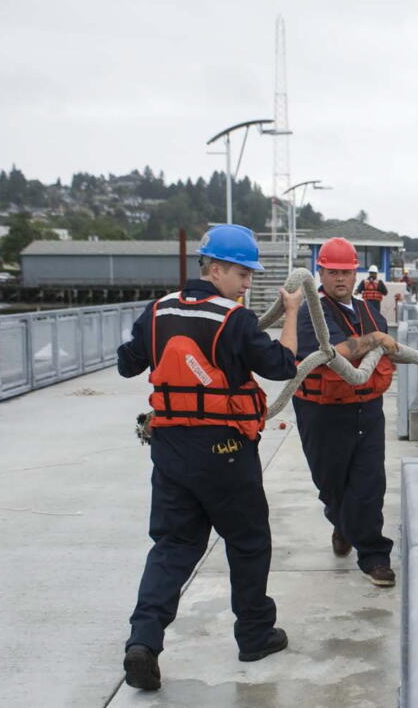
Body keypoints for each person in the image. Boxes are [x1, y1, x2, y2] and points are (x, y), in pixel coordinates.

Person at [116, 224, 301, 691]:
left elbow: (127, 363)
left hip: (172, 451)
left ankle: (143, 641)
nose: (248, 283)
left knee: (173, 546)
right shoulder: (234, 319)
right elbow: (283, 365)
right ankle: (255, 634)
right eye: (241, 273)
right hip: (226, 452)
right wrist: (293, 313)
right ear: (214, 269)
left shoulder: (157, 311)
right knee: (248, 541)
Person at [292, 237, 400, 589]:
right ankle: (342, 524)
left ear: (356, 274)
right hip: (323, 413)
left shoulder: (369, 310)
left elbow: (385, 347)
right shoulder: (311, 311)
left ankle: (374, 557)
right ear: (320, 272)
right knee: (331, 484)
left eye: (346, 272)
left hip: (367, 408)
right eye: (333, 272)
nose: (340, 279)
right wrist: (377, 340)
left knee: (370, 483)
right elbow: (334, 351)